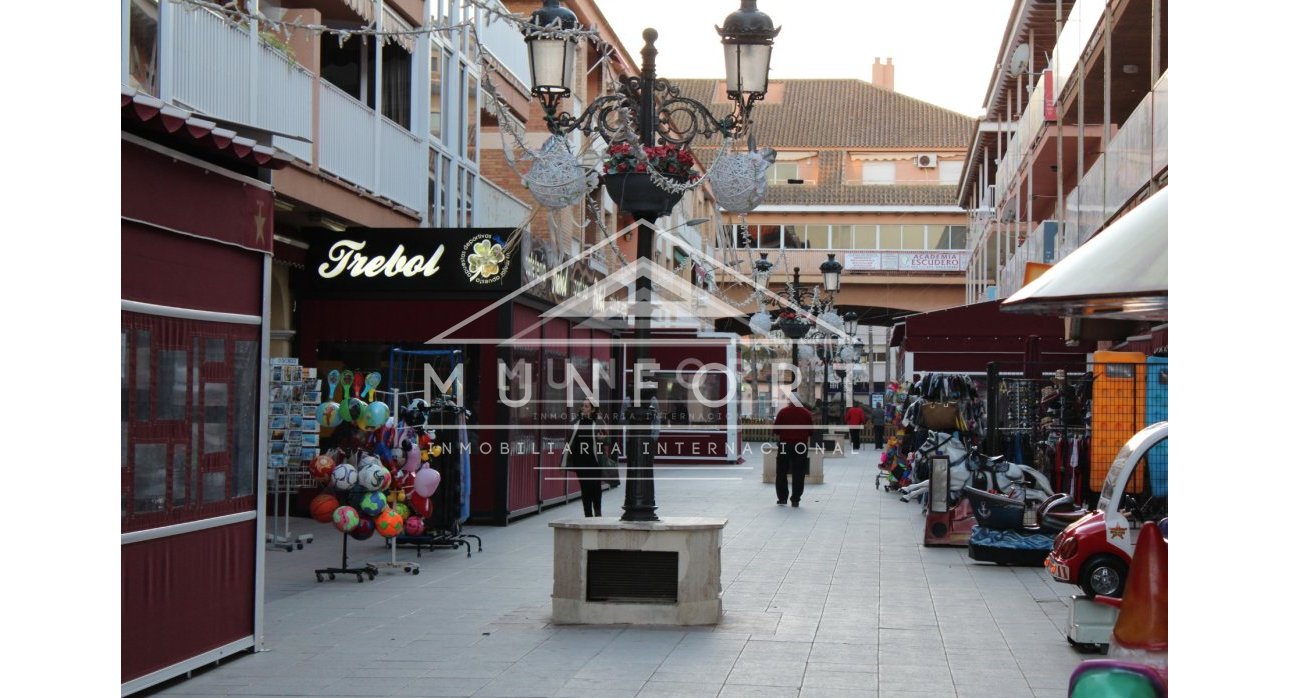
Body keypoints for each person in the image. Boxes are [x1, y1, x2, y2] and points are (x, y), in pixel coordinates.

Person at [567, 399, 607, 517]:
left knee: (595, 488)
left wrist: (602, 439)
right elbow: (569, 437)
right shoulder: (577, 422)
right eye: (582, 406)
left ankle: (598, 513)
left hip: (594, 461)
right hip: (580, 461)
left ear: (593, 409)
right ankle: (588, 515)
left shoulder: (598, 422)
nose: (583, 408)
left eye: (586, 406)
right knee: (585, 489)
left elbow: (608, 440)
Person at [772, 395, 814, 507]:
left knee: (781, 472)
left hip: (785, 444)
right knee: (799, 473)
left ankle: (782, 498)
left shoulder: (783, 412)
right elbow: (811, 431)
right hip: (800, 445)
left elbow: (776, 430)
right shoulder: (806, 413)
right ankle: (795, 499)